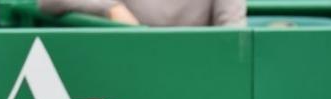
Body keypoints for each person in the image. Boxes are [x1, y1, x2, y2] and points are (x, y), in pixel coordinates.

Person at [37, 0, 245, 26]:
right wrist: (110, 8)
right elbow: (49, 2)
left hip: (198, 70)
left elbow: (233, 31)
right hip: (125, 69)